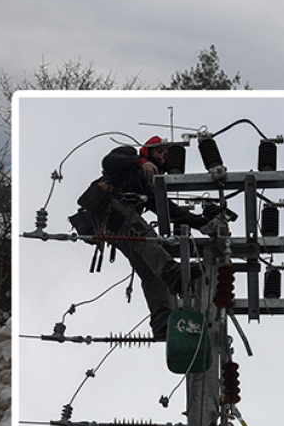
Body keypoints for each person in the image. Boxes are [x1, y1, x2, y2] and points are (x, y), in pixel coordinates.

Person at [71, 136, 221, 339]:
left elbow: (170, 211)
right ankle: (171, 271)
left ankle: (162, 324)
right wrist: (141, 162)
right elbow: (109, 161)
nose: (161, 156)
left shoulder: (147, 187)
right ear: (147, 150)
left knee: (151, 271)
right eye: (158, 151)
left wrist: (202, 223)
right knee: (147, 236)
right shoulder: (129, 156)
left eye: (165, 155)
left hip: (118, 227)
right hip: (110, 210)